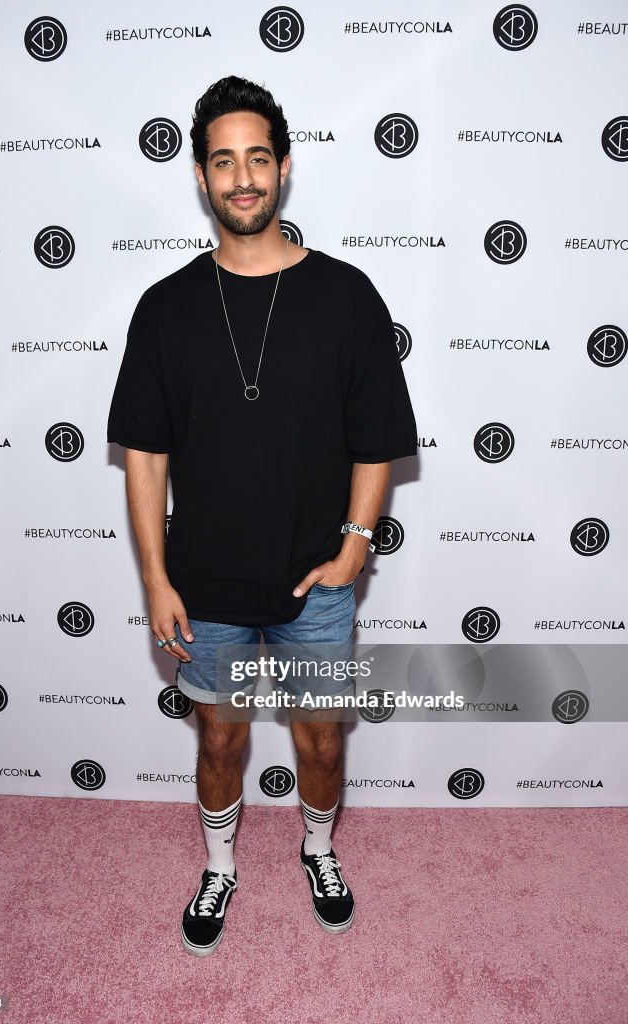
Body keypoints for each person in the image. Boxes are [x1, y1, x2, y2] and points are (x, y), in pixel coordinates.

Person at [107, 75, 417, 956]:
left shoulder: (347, 295)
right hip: (204, 584)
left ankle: (318, 850)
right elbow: (146, 456)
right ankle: (219, 866)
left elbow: (376, 440)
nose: (241, 178)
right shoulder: (165, 308)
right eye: (221, 161)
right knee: (220, 740)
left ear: (282, 168)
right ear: (201, 179)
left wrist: (356, 546)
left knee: (320, 742)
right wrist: (155, 579)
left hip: (315, 577)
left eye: (257, 158)